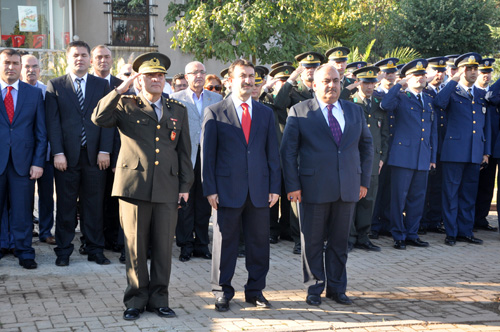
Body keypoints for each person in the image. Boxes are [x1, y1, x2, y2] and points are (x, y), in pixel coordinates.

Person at [93, 52, 193, 320]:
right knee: (135, 248)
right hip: (133, 187)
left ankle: (160, 298)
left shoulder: (177, 110)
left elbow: (184, 152)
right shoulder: (126, 105)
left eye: (160, 76)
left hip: (167, 187)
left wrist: (185, 185)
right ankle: (135, 299)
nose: (156, 80)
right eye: (150, 76)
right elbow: (98, 118)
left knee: (163, 247)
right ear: (141, 80)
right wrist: (120, 88)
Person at [281, 63, 373, 306]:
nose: (331, 85)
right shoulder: (300, 111)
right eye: (325, 81)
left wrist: (363, 180)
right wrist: (292, 186)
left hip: (348, 187)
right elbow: (288, 153)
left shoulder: (354, 111)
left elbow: (367, 147)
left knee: (340, 241)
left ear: (341, 84)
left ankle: (337, 288)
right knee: (311, 241)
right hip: (312, 188)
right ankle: (314, 287)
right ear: (313, 85)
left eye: (335, 81)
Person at [202, 59, 280, 312]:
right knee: (225, 243)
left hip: (259, 191)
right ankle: (222, 291)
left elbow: (272, 154)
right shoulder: (215, 111)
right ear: (230, 80)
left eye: (251, 76)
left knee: (259, 244)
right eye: (243, 76)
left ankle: (255, 291)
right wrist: (210, 188)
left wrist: (275, 187)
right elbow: (208, 156)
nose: (248, 80)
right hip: (226, 191)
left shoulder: (266, 113)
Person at [45, 40, 113, 266]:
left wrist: (105, 150)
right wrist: (58, 153)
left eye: (84, 55)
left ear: (90, 59)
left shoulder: (101, 85)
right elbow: (53, 124)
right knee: (65, 206)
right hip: (66, 158)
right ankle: (63, 251)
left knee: (93, 206)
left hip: (95, 157)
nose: (80, 59)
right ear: (68, 58)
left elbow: (108, 121)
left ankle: (95, 249)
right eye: (75, 55)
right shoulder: (55, 86)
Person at [434, 52, 490, 246]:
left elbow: (486, 125)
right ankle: (451, 232)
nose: (473, 72)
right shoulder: (452, 91)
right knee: (451, 193)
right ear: (461, 70)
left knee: (468, 194)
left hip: (475, 152)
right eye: (469, 68)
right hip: (454, 152)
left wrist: (486, 151)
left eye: (475, 69)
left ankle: (465, 231)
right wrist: (453, 79)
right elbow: (439, 102)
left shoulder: (482, 95)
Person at [380, 59, 437, 249]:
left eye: (422, 75)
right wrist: (398, 85)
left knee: (417, 198)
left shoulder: (428, 100)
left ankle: (412, 233)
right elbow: (385, 105)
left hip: (422, 156)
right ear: (408, 78)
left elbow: (433, 131)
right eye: (416, 75)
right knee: (399, 198)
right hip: (403, 156)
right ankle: (398, 234)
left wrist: (432, 157)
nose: (420, 79)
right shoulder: (400, 97)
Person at [0, 49, 47, 268]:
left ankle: (24, 250)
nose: (11, 67)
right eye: (7, 62)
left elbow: (41, 132)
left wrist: (38, 162)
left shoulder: (33, 94)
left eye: (15, 63)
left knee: (22, 210)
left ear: (21, 66)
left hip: (24, 163)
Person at [274, 51, 324, 255]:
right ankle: (299, 238)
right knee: (297, 199)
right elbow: (278, 104)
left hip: (319, 150)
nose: (310, 70)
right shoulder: (294, 91)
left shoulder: (321, 90)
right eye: (307, 67)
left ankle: (319, 237)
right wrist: (291, 78)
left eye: (314, 67)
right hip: (298, 150)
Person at [172, 61, 222, 262]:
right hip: (185, 156)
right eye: (194, 73)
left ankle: (202, 244)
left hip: (209, 156)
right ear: (186, 76)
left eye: (202, 72)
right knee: (185, 203)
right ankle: (185, 245)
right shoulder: (175, 99)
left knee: (203, 202)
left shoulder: (216, 98)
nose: (199, 76)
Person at [349, 65, 388, 252]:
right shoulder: (350, 102)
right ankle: (348, 238)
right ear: (358, 83)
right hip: (352, 160)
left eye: (372, 83)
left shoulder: (380, 104)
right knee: (350, 199)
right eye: (365, 83)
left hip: (372, 160)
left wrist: (382, 158)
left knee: (368, 199)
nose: (369, 87)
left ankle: (363, 237)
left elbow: (385, 135)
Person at [91, 45, 125, 260]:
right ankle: (93, 240)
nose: (103, 60)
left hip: (114, 155)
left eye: (107, 57)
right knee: (93, 201)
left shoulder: (122, 86)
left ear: (112, 61)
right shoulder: (86, 84)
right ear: (93, 61)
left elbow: (121, 125)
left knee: (113, 201)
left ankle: (113, 239)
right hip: (87, 153)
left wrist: (114, 154)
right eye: (99, 57)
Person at [20, 54, 55, 246]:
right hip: (23, 154)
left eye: (34, 67)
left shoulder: (46, 91)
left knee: (47, 195)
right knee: (24, 195)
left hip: (46, 153)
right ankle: (26, 229)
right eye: (26, 66)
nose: (30, 70)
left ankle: (45, 231)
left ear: (39, 70)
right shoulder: (14, 91)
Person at [420, 56, 448, 235]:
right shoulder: (424, 92)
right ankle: (421, 221)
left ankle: (434, 221)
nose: (439, 74)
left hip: (444, 145)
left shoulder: (446, 90)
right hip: (427, 145)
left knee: (438, 185)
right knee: (424, 187)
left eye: (442, 70)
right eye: (436, 70)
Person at [474, 58, 499, 232]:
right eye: (483, 72)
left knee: (488, 185)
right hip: (479, 146)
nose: (486, 75)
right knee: (475, 183)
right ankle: (471, 219)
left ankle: (481, 218)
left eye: (489, 72)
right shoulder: (473, 93)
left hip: (495, 146)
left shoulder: (494, 93)